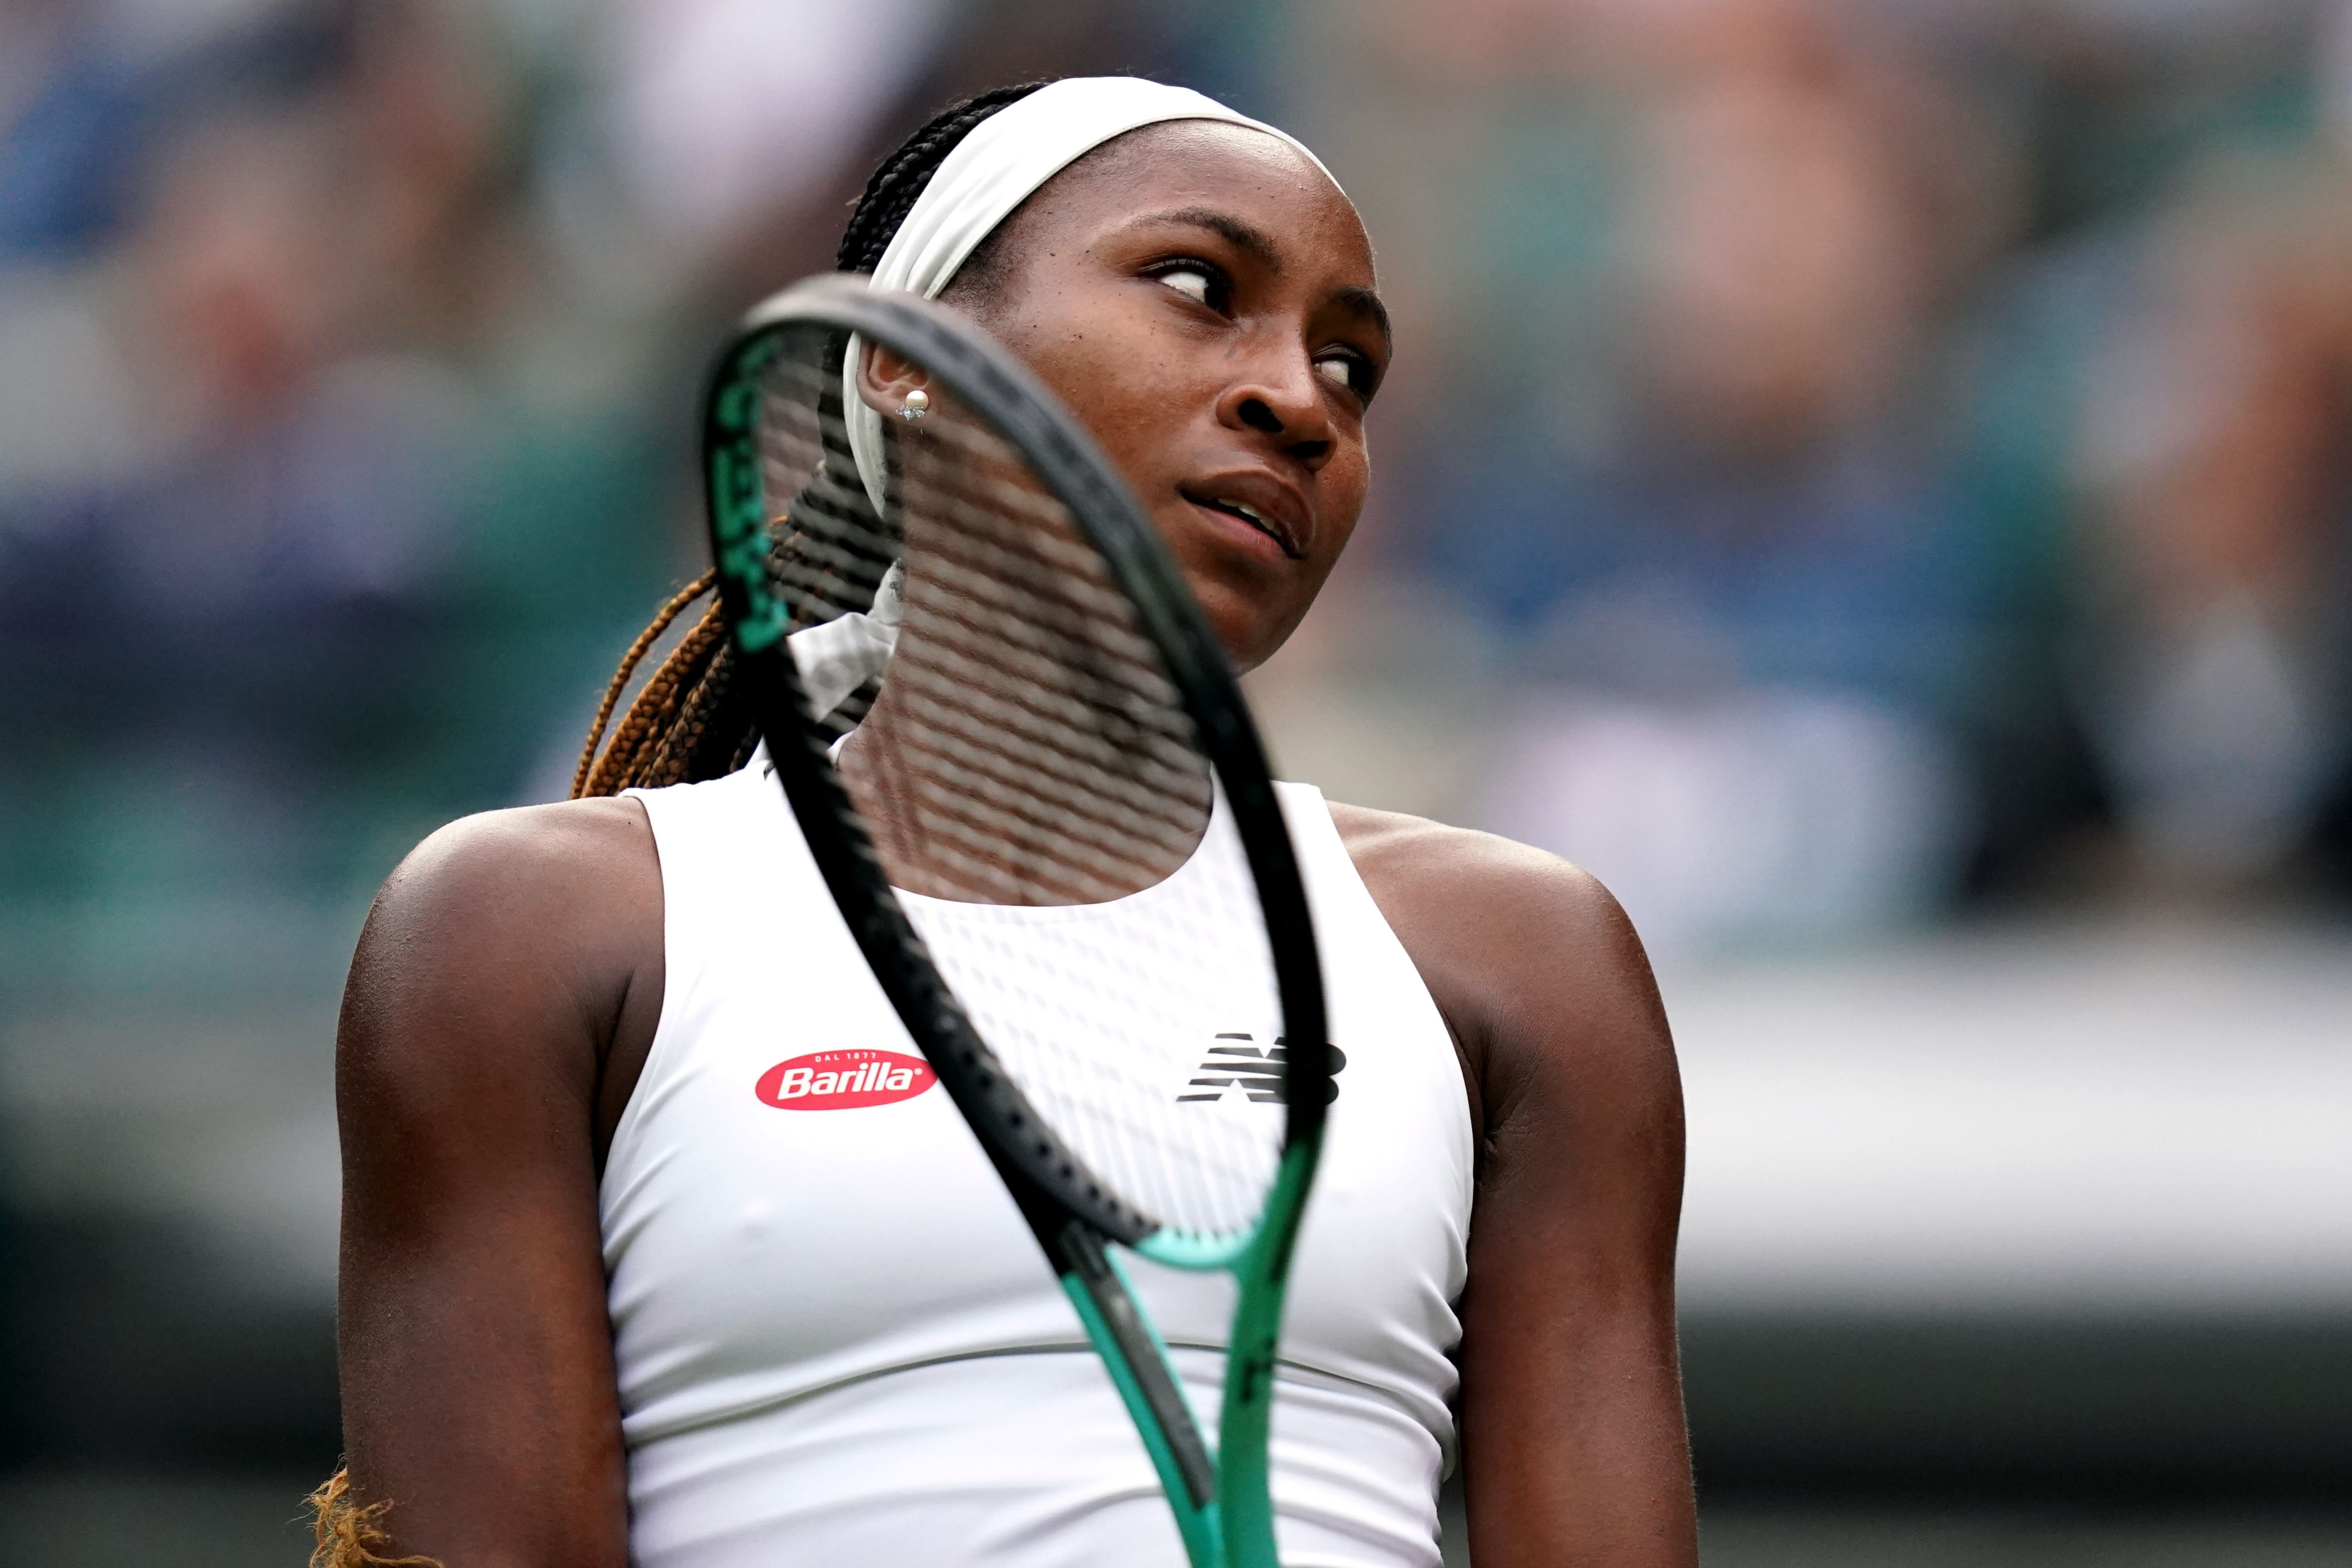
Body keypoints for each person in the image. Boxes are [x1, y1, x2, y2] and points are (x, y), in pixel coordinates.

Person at [323, 77, 1696, 1568]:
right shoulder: (520, 935)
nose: (1300, 402)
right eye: (1198, 286)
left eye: (1351, 368)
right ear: (907, 363)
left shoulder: (1527, 963)